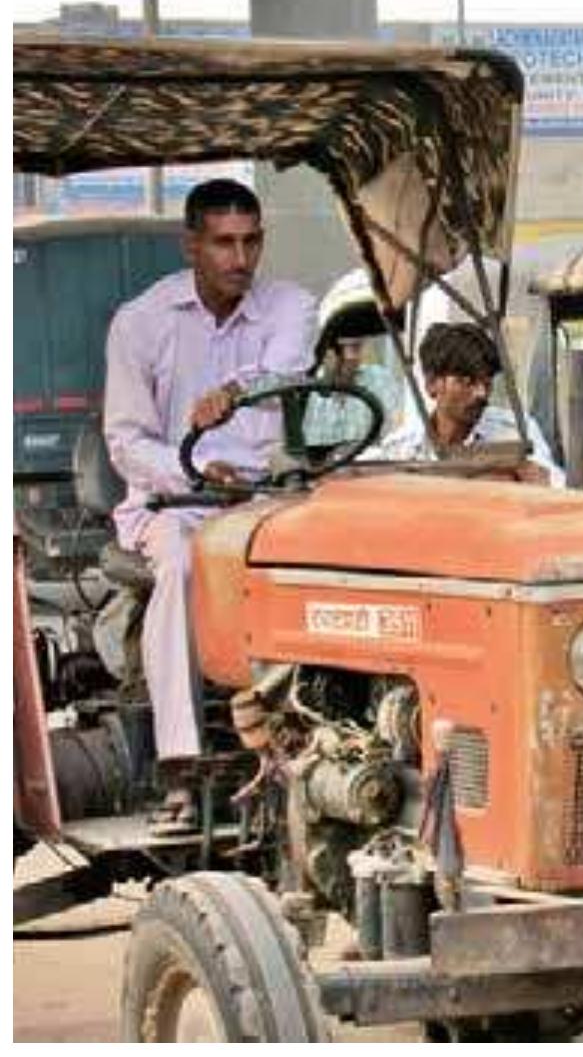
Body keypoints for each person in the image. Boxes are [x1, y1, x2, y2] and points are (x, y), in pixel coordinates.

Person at [103, 178, 317, 829]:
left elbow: (286, 370)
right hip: (177, 500)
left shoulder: (291, 305)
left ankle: (315, 739)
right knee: (182, 563)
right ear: (191, 245)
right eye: (224, 243)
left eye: (251, 242)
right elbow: (126, 441)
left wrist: (234, 390)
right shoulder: (141, 322)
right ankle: (181, 762)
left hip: (267, 501)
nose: (239, 258)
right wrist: (192, 467)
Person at [375, 320, 563, 485]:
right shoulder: (400, 450)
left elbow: (559, 486)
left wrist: (528, 473)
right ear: (432, 384)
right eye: (467, 382)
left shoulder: (517, 432)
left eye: (487, 382)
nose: (482, 393)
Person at [302, 332, 401, 447]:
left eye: (355, 347)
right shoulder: (311, 392)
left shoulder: (380, 379)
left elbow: (398, 431)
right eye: (340, 348)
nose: (349, 357)